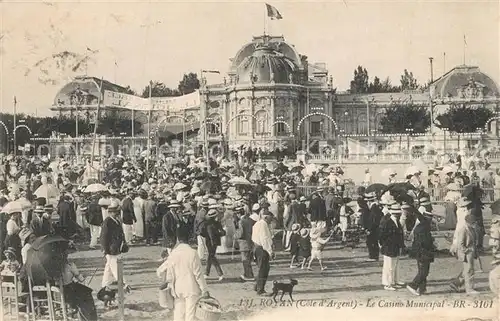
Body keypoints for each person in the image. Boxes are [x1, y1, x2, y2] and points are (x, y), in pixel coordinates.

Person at [156, 227, 209, 321]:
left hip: (177, 290)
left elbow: (160, 270)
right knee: (190, 316)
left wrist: (166, 281)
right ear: (189, 239)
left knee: (178, 316)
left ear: (177, 239)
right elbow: (198, 274)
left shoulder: (173, 253)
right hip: (192, 289)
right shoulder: (193, 253)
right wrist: (204, 289)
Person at [100, 200, 131, 293]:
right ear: (110, 212)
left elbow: (121, 233)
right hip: (111, 249)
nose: (116, 213)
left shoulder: (117, 221)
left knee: (108, 268)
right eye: (114, 212)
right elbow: (103, 237)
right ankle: (124, 283)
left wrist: (124, 242)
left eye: (117, 212)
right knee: (115, 267)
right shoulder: (107, 222)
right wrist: (104, 249)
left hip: (117, 248)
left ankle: (105, 284)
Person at [406, 205, 436, 296]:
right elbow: (425, 242)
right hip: (424, 252)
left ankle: (422, 289)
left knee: (422, 270)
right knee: (424, 272)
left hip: (419, 252)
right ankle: (413, 285)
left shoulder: (420, 226)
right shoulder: (425, 227)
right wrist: (432, 243)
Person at [449, 214, 479, 294]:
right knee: (469, 271)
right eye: (473, 223)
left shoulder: (471, 228)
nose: (475, 224)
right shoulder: (463, 230)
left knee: (466, 270)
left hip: (471, 253)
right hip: (466, 254)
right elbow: (460, 244)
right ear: (468, 222)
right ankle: (469, 289)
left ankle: (455, 283)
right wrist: (468, 250)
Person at [379, 202, 405, 291]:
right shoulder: (387, 222)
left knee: (395, 265)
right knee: (389, 266)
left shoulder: (396, 221)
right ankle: (388, 283)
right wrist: (383, 244)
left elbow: (400, 235)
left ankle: (394, 281)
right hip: (389, 247)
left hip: (395, 246)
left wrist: (401, 245)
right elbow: (382, 235)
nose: (398, 215)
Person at [252, 212, 274, 295]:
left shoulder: (257, 224)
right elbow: (264, 239)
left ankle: (257, 286)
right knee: (263, 269)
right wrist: (270, 251)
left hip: (257, 247)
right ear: (266, 217)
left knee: (262, 268)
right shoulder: (263, 224)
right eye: (270, 219)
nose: (271, 221)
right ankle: (260, 290)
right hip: (262, 249)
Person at [202, 208, 225, 281]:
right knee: (211, 257)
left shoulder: (207, 224)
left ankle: (207, 273)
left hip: (209, 242)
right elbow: (223, 232)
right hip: (213, 243)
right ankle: (219, 273)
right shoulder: (215, 223)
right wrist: (219, 233)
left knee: (211, 257)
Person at [235, 205, 255, 281]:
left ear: (238, 214)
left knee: (245, 260)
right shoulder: (250, 220)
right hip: (251, 241)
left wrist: (236, 235)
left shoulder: (241, 221)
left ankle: (249, 275)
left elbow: (241, 233)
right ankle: (247, 273)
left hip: (243, 243)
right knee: (248, 259)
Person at [362, 192, 382, 262]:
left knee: (371, 242)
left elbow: (372, 220)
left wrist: (369, 229)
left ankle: (373, 256)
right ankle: (373, 256)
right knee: (372, 242)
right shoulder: (375, 207)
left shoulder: (373, 208)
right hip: (374, 228)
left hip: (373, 228)